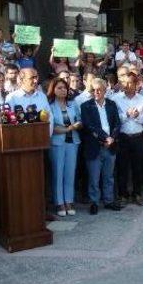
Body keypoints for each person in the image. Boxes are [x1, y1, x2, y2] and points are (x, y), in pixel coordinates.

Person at [80, 78, 121, 214]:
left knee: (109, 176)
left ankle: (108, 201)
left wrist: (113, 138)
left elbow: (117, 123)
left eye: (99, 90)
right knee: (94, 177)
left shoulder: (112, 104)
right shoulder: (86, 106)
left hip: (110, 146)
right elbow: (89, 126)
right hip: (95, 146)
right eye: (93, 90)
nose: (96, 92)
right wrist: (105, 137)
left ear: (105, 90)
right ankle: (94, 202)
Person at [48, 78, 82, 216]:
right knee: (58, 173)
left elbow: (80, 119)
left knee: (70, 172)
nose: (63, 90)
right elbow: (51, 127)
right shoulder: (50, 106)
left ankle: (69, 200)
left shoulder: (72, 104)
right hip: (57, 143)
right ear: (53, 90)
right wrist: (68, 129)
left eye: (64, 88)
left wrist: (77, 125)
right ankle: (59, 203)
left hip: (72, 142)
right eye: (59, 88)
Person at [114, 72, 143, 206]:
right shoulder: (116, 98)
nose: (127, 85)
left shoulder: (141, 99)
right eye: (125, 83)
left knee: (138, 167)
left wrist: (138, 115)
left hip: (138, 137)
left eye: (130, 83)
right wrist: (127, 115)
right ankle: (123, 195)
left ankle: (137, 194)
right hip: (122, 137)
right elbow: (115, 119)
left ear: (136, 84)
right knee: (122, 167)